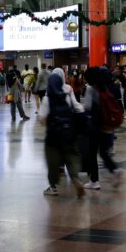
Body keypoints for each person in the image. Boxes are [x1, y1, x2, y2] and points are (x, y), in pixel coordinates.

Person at [39, 69, 86, 198]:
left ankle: (53, 186)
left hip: (53, 136)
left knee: (52, 161)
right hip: (69, 133)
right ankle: (75, 178)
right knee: (71, 156)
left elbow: (41, 118)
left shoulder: (47, 97)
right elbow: (78, 107)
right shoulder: (68, 91)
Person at [81, 67, 123, 190]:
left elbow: (87, 107)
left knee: (92, 154)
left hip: (94, 126)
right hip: (106, 126)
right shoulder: (103, 87)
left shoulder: (91, 89)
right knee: (104, 152)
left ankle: (94, 181)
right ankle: (115, 170)